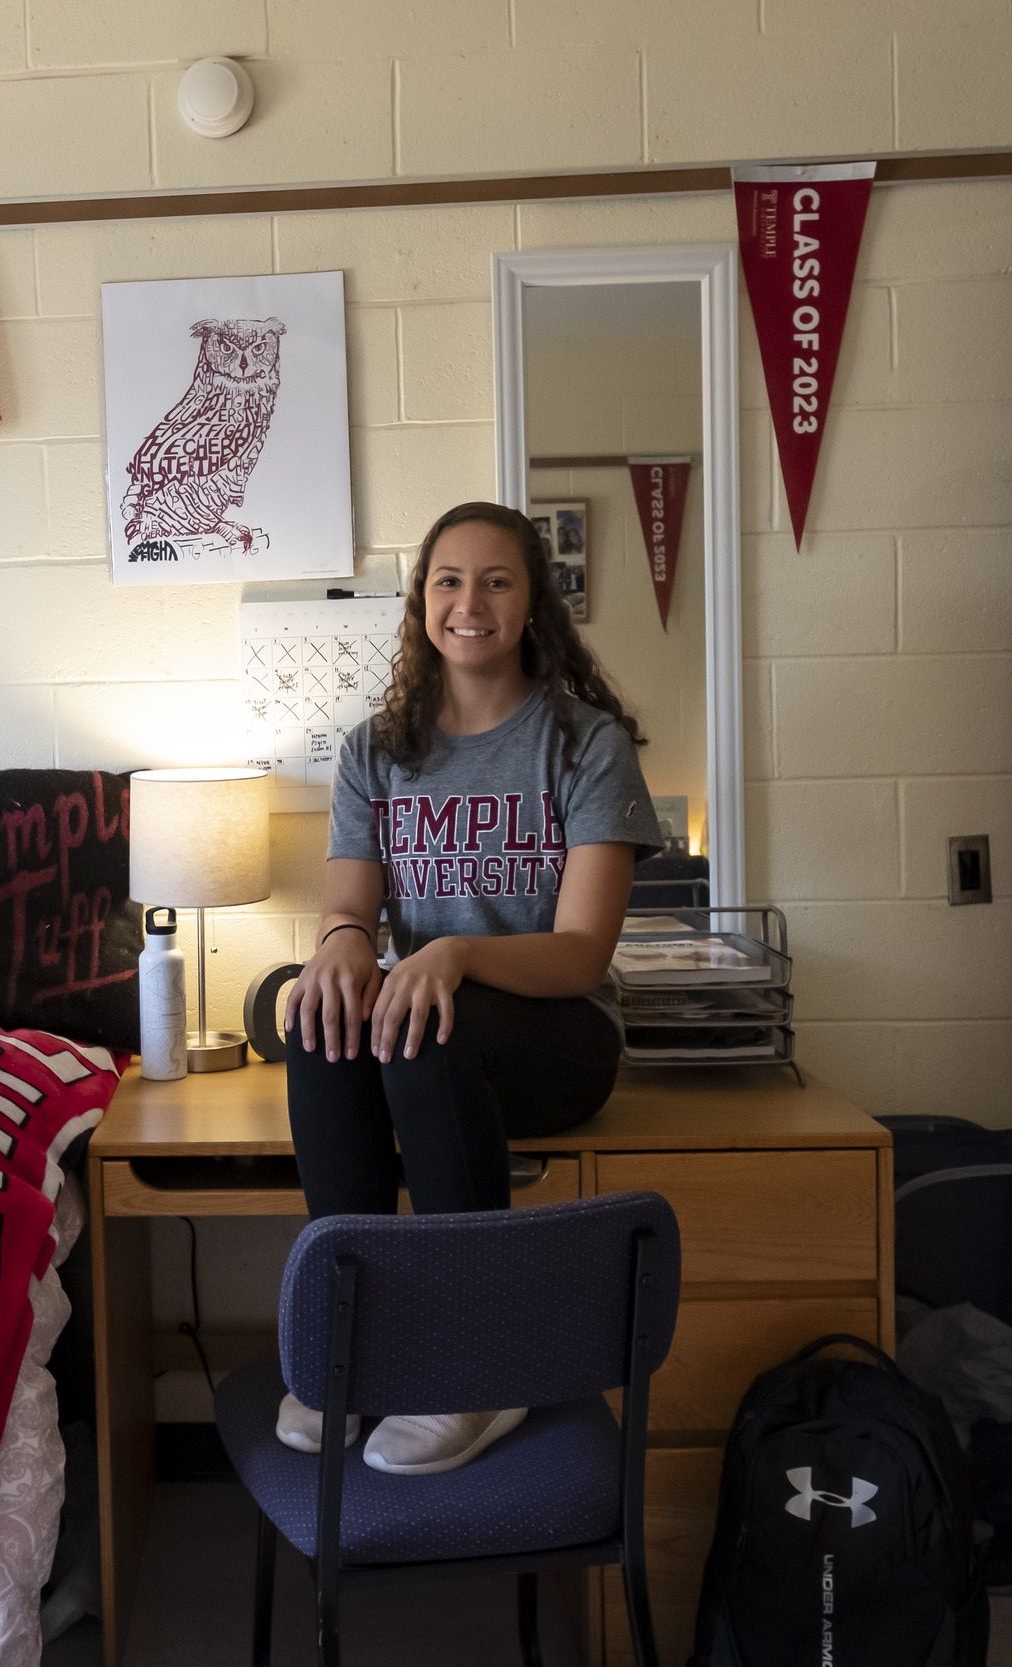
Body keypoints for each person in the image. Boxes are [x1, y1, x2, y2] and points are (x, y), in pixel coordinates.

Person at [274, 501, 661, 1478]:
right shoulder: (375, 750)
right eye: (448, 579)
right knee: (322, 1024)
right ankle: (354, 1345)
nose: (469, 600)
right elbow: (349, 908)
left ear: (533, 602)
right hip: (427, 1025)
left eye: (496, 579)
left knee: (418, 1032)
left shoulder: (585, 744)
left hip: (559, 1036)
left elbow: (579, 952)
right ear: (422, 603)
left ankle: (479, 1362)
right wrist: (342, 947)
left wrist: (450, 952)